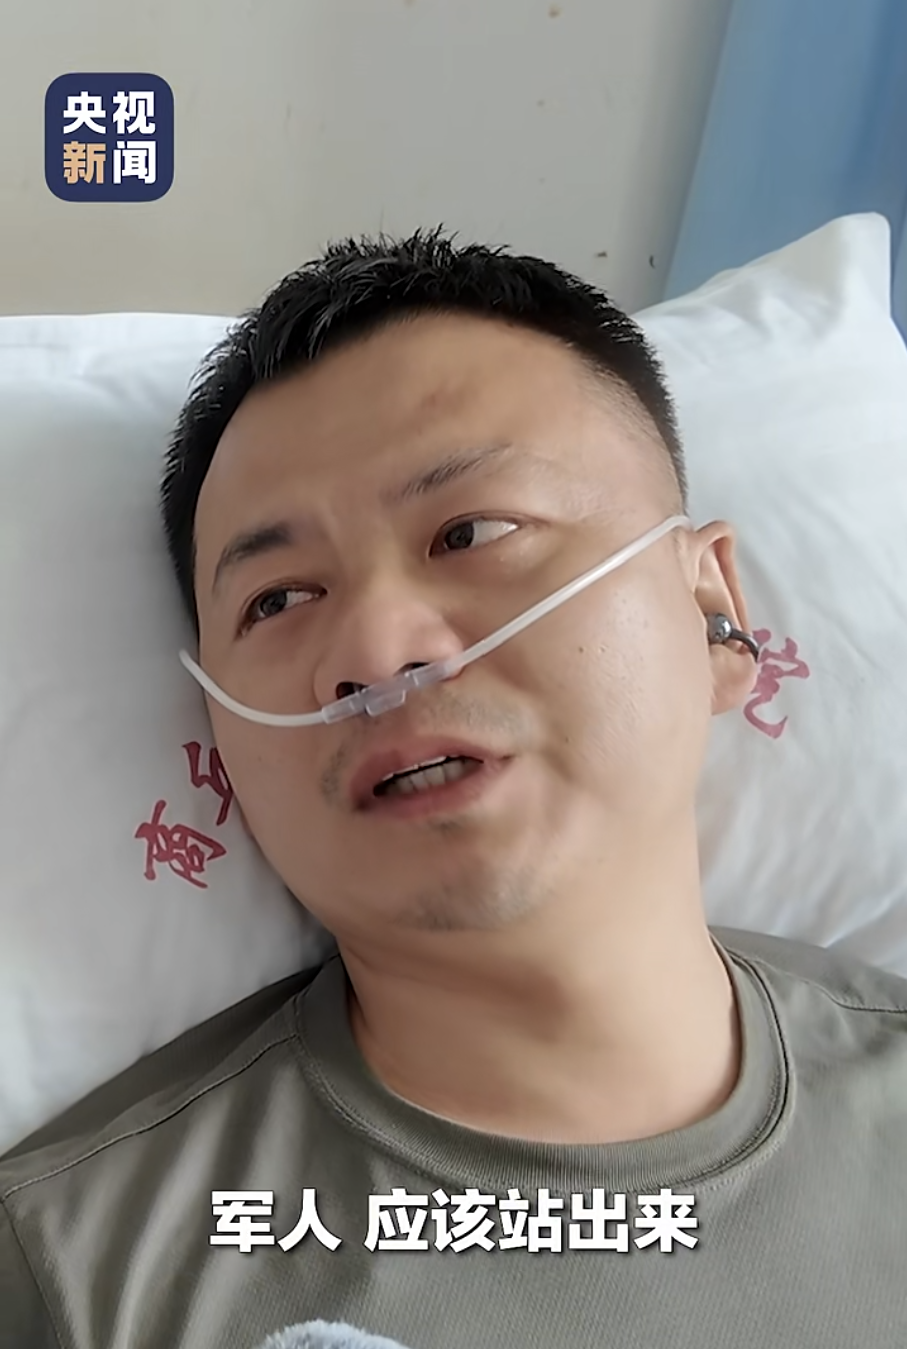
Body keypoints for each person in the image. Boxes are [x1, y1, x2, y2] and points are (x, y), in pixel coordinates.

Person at [2, 229, 906, 1349]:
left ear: (712, 607)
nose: (375, 651)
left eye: (469, 531)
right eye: (278, 600)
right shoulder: (78, 1274)